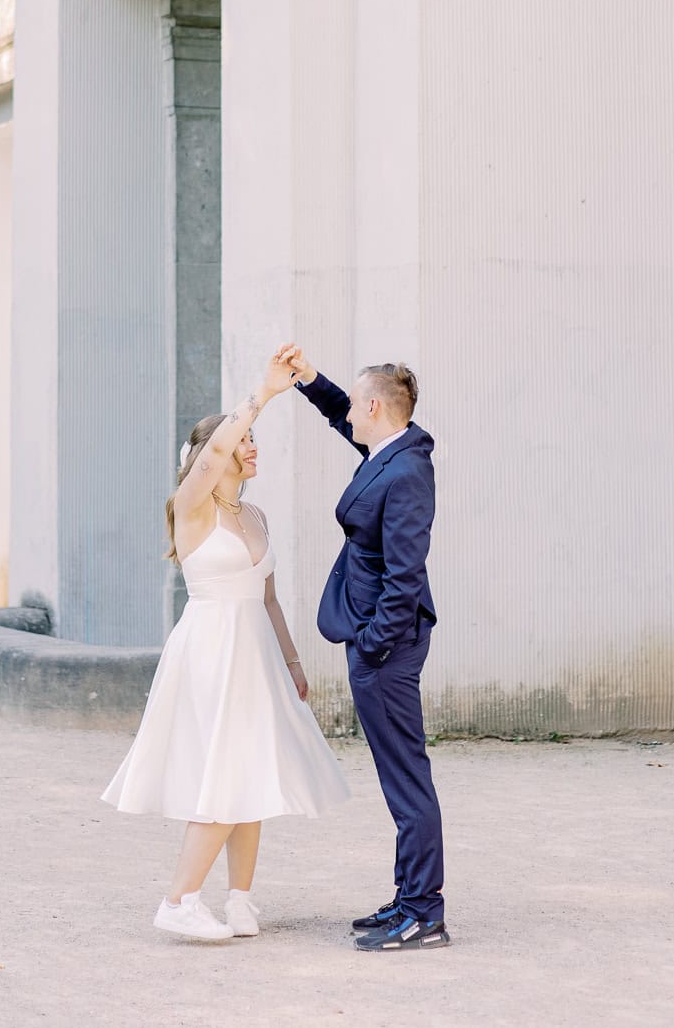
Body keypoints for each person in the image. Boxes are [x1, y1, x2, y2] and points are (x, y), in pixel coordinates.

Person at [102, 349, 350, 942]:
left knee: (251, 773)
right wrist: (261, 394)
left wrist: (291, 661)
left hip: (255, 652)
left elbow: (268, 600)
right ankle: (178, 900)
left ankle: (240, 899)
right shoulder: (191, 510)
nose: (252, 447)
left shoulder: (256, 515)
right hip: (211, 650)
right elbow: (214, 453)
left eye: (254, 439)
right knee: (225, 771)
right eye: (245, 440)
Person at [284, 347, 450, 952]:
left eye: (356, 404)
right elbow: (338, 416)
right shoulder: (389, 452)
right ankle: (410, 899)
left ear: (375, 407)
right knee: (400, 779)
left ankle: (424, 913)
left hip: (387, 648)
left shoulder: (405, 471)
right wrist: (309, 380)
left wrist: (373, 647)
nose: (348, 413)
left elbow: (407, 575)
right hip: (376, 641)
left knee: (407, 781)